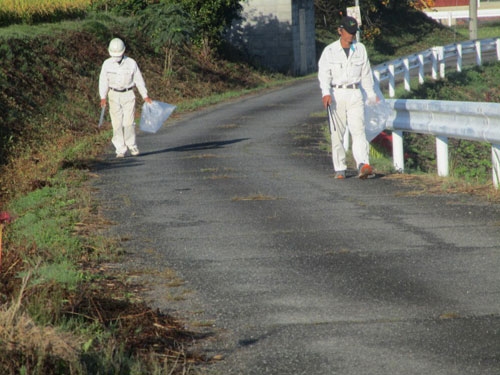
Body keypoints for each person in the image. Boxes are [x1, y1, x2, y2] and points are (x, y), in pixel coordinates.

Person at [318, 16, 378, 179]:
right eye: (349, 32)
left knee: (358, 130)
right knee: (337, 132)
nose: (352, 35)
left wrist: (371, 94)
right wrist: (326, 93)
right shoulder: (329, 51)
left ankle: (363, 165)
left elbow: (366, 74)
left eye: (354, 32)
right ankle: (340, 168)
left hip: (355, 93)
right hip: (337, 94)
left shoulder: (361, 49)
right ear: (340, 31)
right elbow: (324, 74)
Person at [99, 38, 153, 158]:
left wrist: (145, 96)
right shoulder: (107, 64)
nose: (116, 57)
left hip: (128, 94)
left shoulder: (131, 63)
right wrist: (102, 97)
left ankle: (131, 145)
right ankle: (120, 149)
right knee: (116, 123)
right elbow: (103, 81)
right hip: (113, 94)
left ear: (123, 52)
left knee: (129, 123)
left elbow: (139, 80)